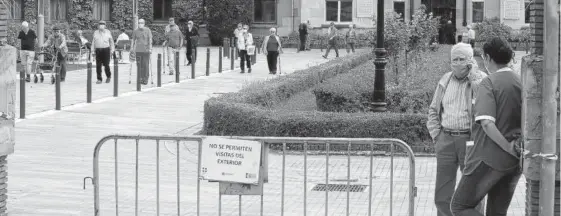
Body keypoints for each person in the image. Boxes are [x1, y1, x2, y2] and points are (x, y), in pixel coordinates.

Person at [451, 37, 522, 216]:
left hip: (488, 159)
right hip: (514, 163)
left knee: (460, 206)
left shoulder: (489, 83)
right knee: (497, 213)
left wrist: (507, 147)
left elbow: (487, 123)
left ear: (488, 58)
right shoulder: (520, 82)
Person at [427, 43, 487, 216]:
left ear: (470, 61)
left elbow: (484, 107)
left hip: (469, 140)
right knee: (442, 192)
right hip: (445, 138)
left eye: (462, 59)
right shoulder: (445, 79)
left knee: (472, 189)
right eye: (454, 59)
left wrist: (474, 79)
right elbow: (433, 109)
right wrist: (436, 135)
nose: (457, 63)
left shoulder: (481, 79)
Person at [131, 19, 153, 85]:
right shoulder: (135, 31)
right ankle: (140, 78)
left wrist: (150, 48)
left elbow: (150, 40)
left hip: (146, 50)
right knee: (139, 65)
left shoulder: (148, 30)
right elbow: (133, 40)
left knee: (145, 65)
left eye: (141, 23)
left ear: (144, 23)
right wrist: (131, 48)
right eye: (139, 23)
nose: (140, 24)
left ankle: (145, 79)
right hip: (138, 50)